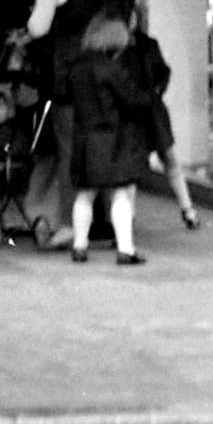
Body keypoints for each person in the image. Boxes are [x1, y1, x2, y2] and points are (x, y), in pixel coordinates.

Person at [26, 0, 131, 250]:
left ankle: (74, 225)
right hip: (112, 78)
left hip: (71, 80)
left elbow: (37, 28)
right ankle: (114, 224)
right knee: (111, 148)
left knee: (73, 151)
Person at [64, 16, 157, 265]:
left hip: (85, 138)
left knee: (85, 195)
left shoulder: (76, 67)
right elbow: (132, 100)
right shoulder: (111, 69)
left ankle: (79, 246)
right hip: (113, 139)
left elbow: (63, 93)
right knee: (120, 195)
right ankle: (126, 250)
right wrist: (151, 96)